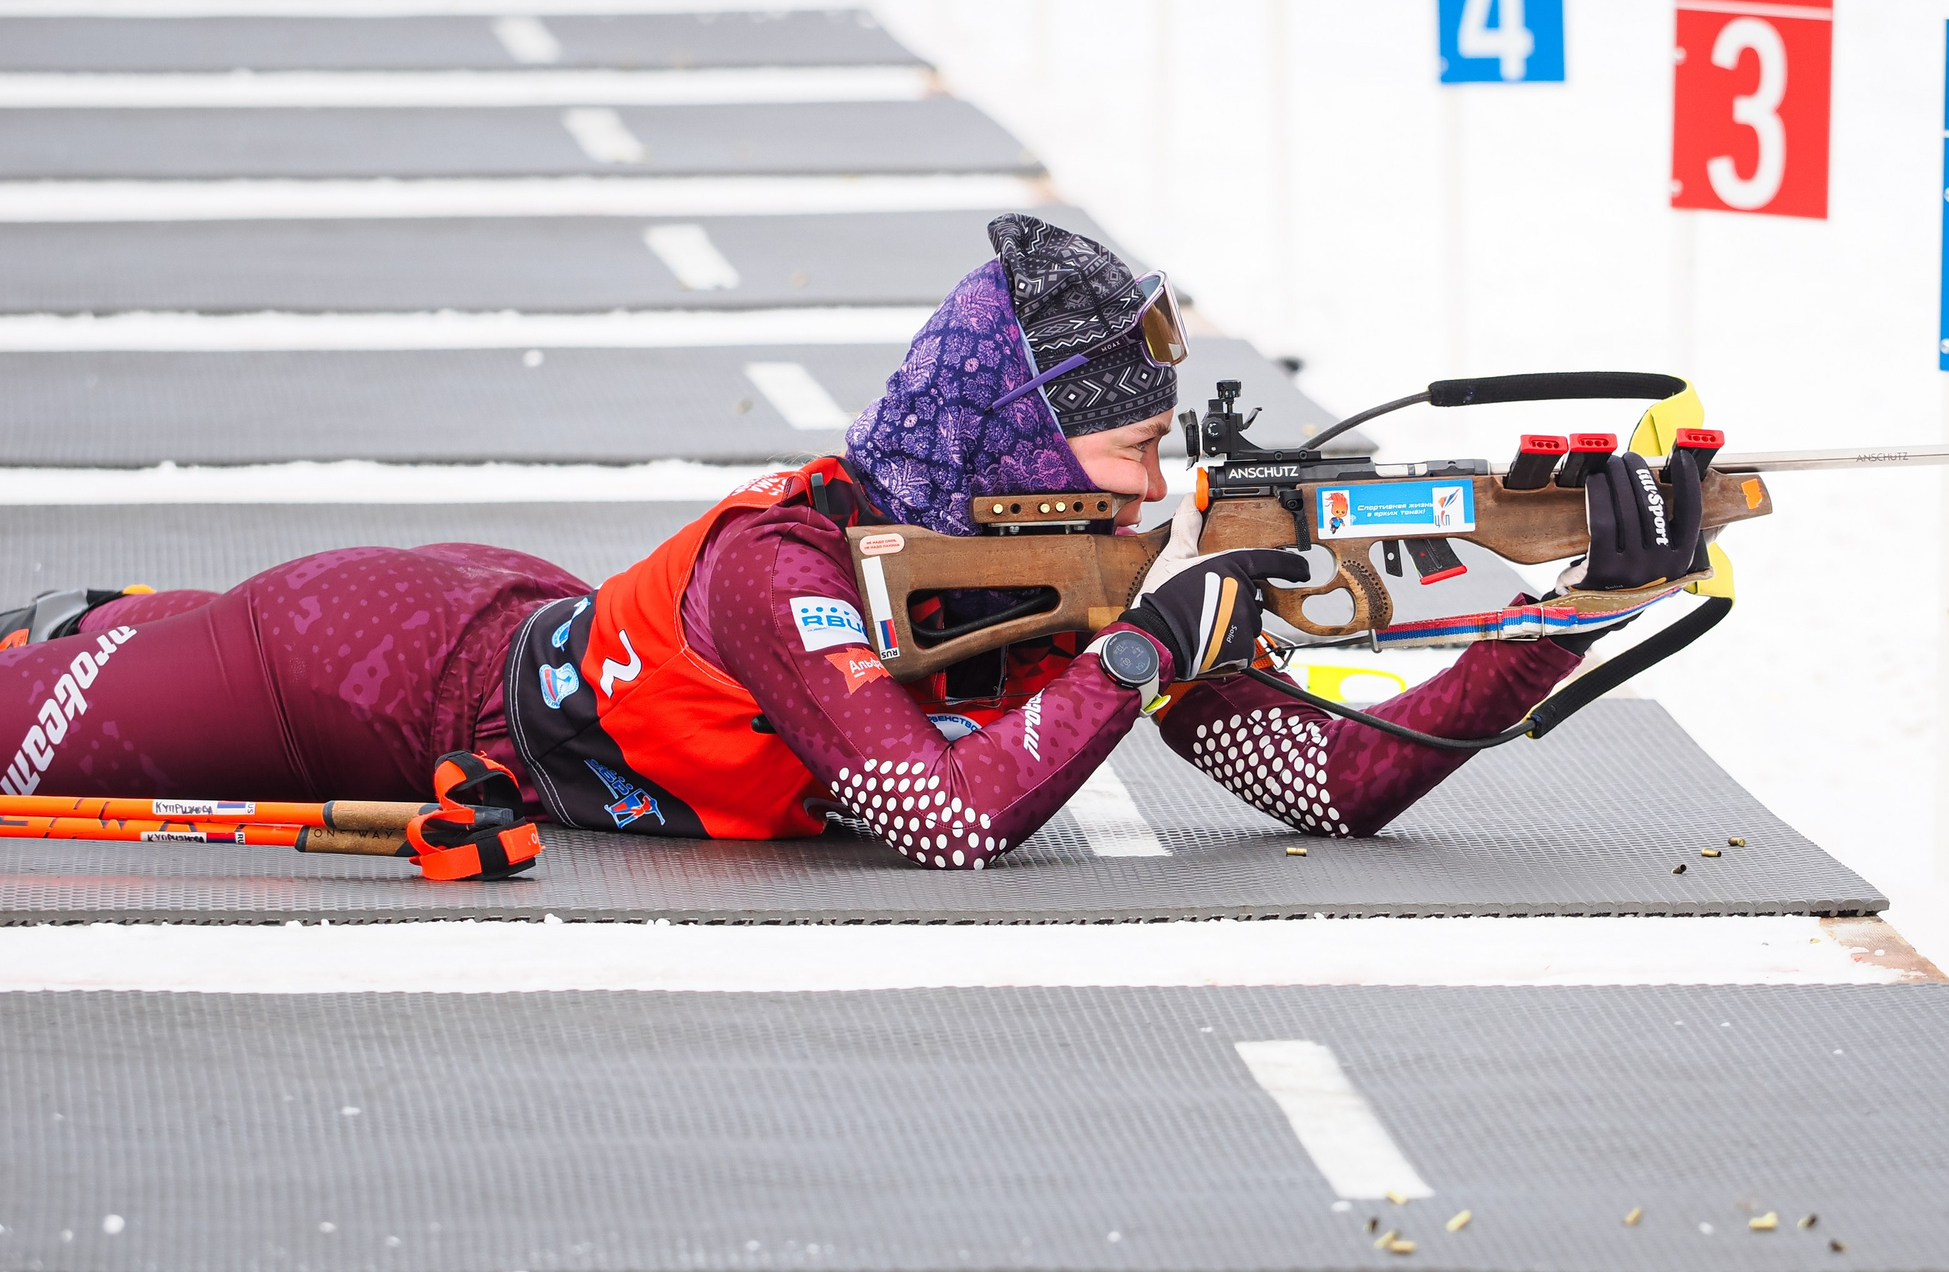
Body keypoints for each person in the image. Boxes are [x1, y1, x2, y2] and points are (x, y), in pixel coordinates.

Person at [1, 216, 1699, 868]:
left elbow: (1339, 789)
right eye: (1121, 452)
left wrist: (1570, 606)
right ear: (1018, 438)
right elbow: (940, 818)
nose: (1146, 493)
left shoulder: (1077, 581)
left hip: (493, 619)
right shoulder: (782, 571)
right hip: (354, 666)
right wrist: (1155, 644)